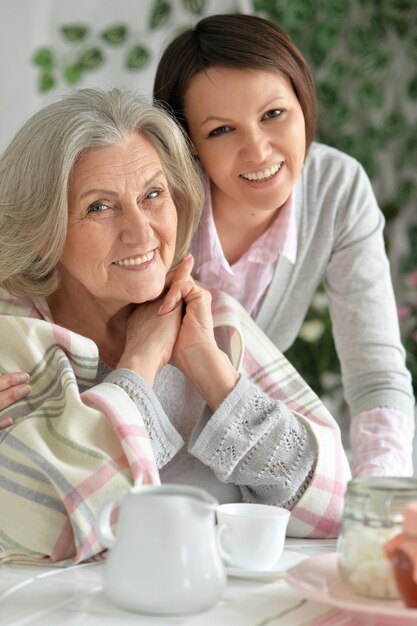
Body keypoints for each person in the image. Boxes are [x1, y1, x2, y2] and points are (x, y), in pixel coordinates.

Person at [0, 88, 350, 566]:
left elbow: (335, 504)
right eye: (100, 207)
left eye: (153, 195)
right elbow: (55, 534)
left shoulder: (215, 320)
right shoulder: (13, 340)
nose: (141, 231)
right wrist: (139, 367)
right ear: (43, 235)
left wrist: (210, 370)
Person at [153, 13, 415, 478]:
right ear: (188, 142)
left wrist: (381, 494)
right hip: (137, 447)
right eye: (220, 130)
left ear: (303, 101)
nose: (258, 151)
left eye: (273, 114)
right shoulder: (157, 196)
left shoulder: (336, 188)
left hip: (242, 451)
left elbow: (375, 373)